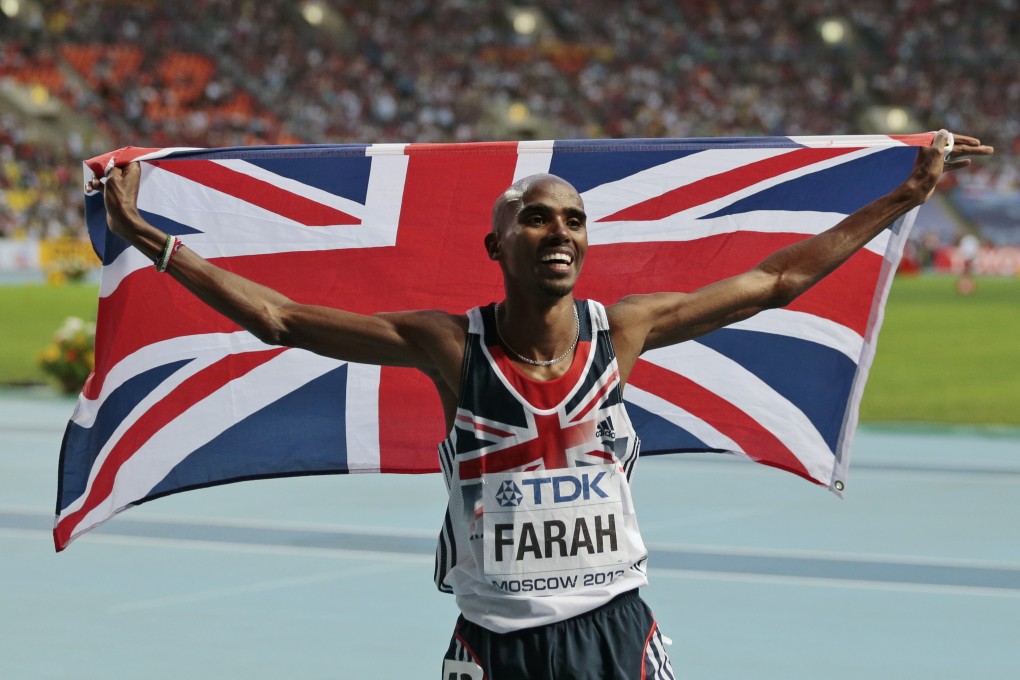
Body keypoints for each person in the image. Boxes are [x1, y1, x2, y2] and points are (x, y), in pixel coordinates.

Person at [92, 130, 991, 679]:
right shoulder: (449, 346)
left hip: (615, 626)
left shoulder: (624, 329)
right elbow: (281, 318)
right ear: (495, 244)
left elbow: (777, 279)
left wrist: (900, 198)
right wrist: (147, 240)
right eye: (536, 218)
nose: (557, 231)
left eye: (572, 221)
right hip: (497, 639)